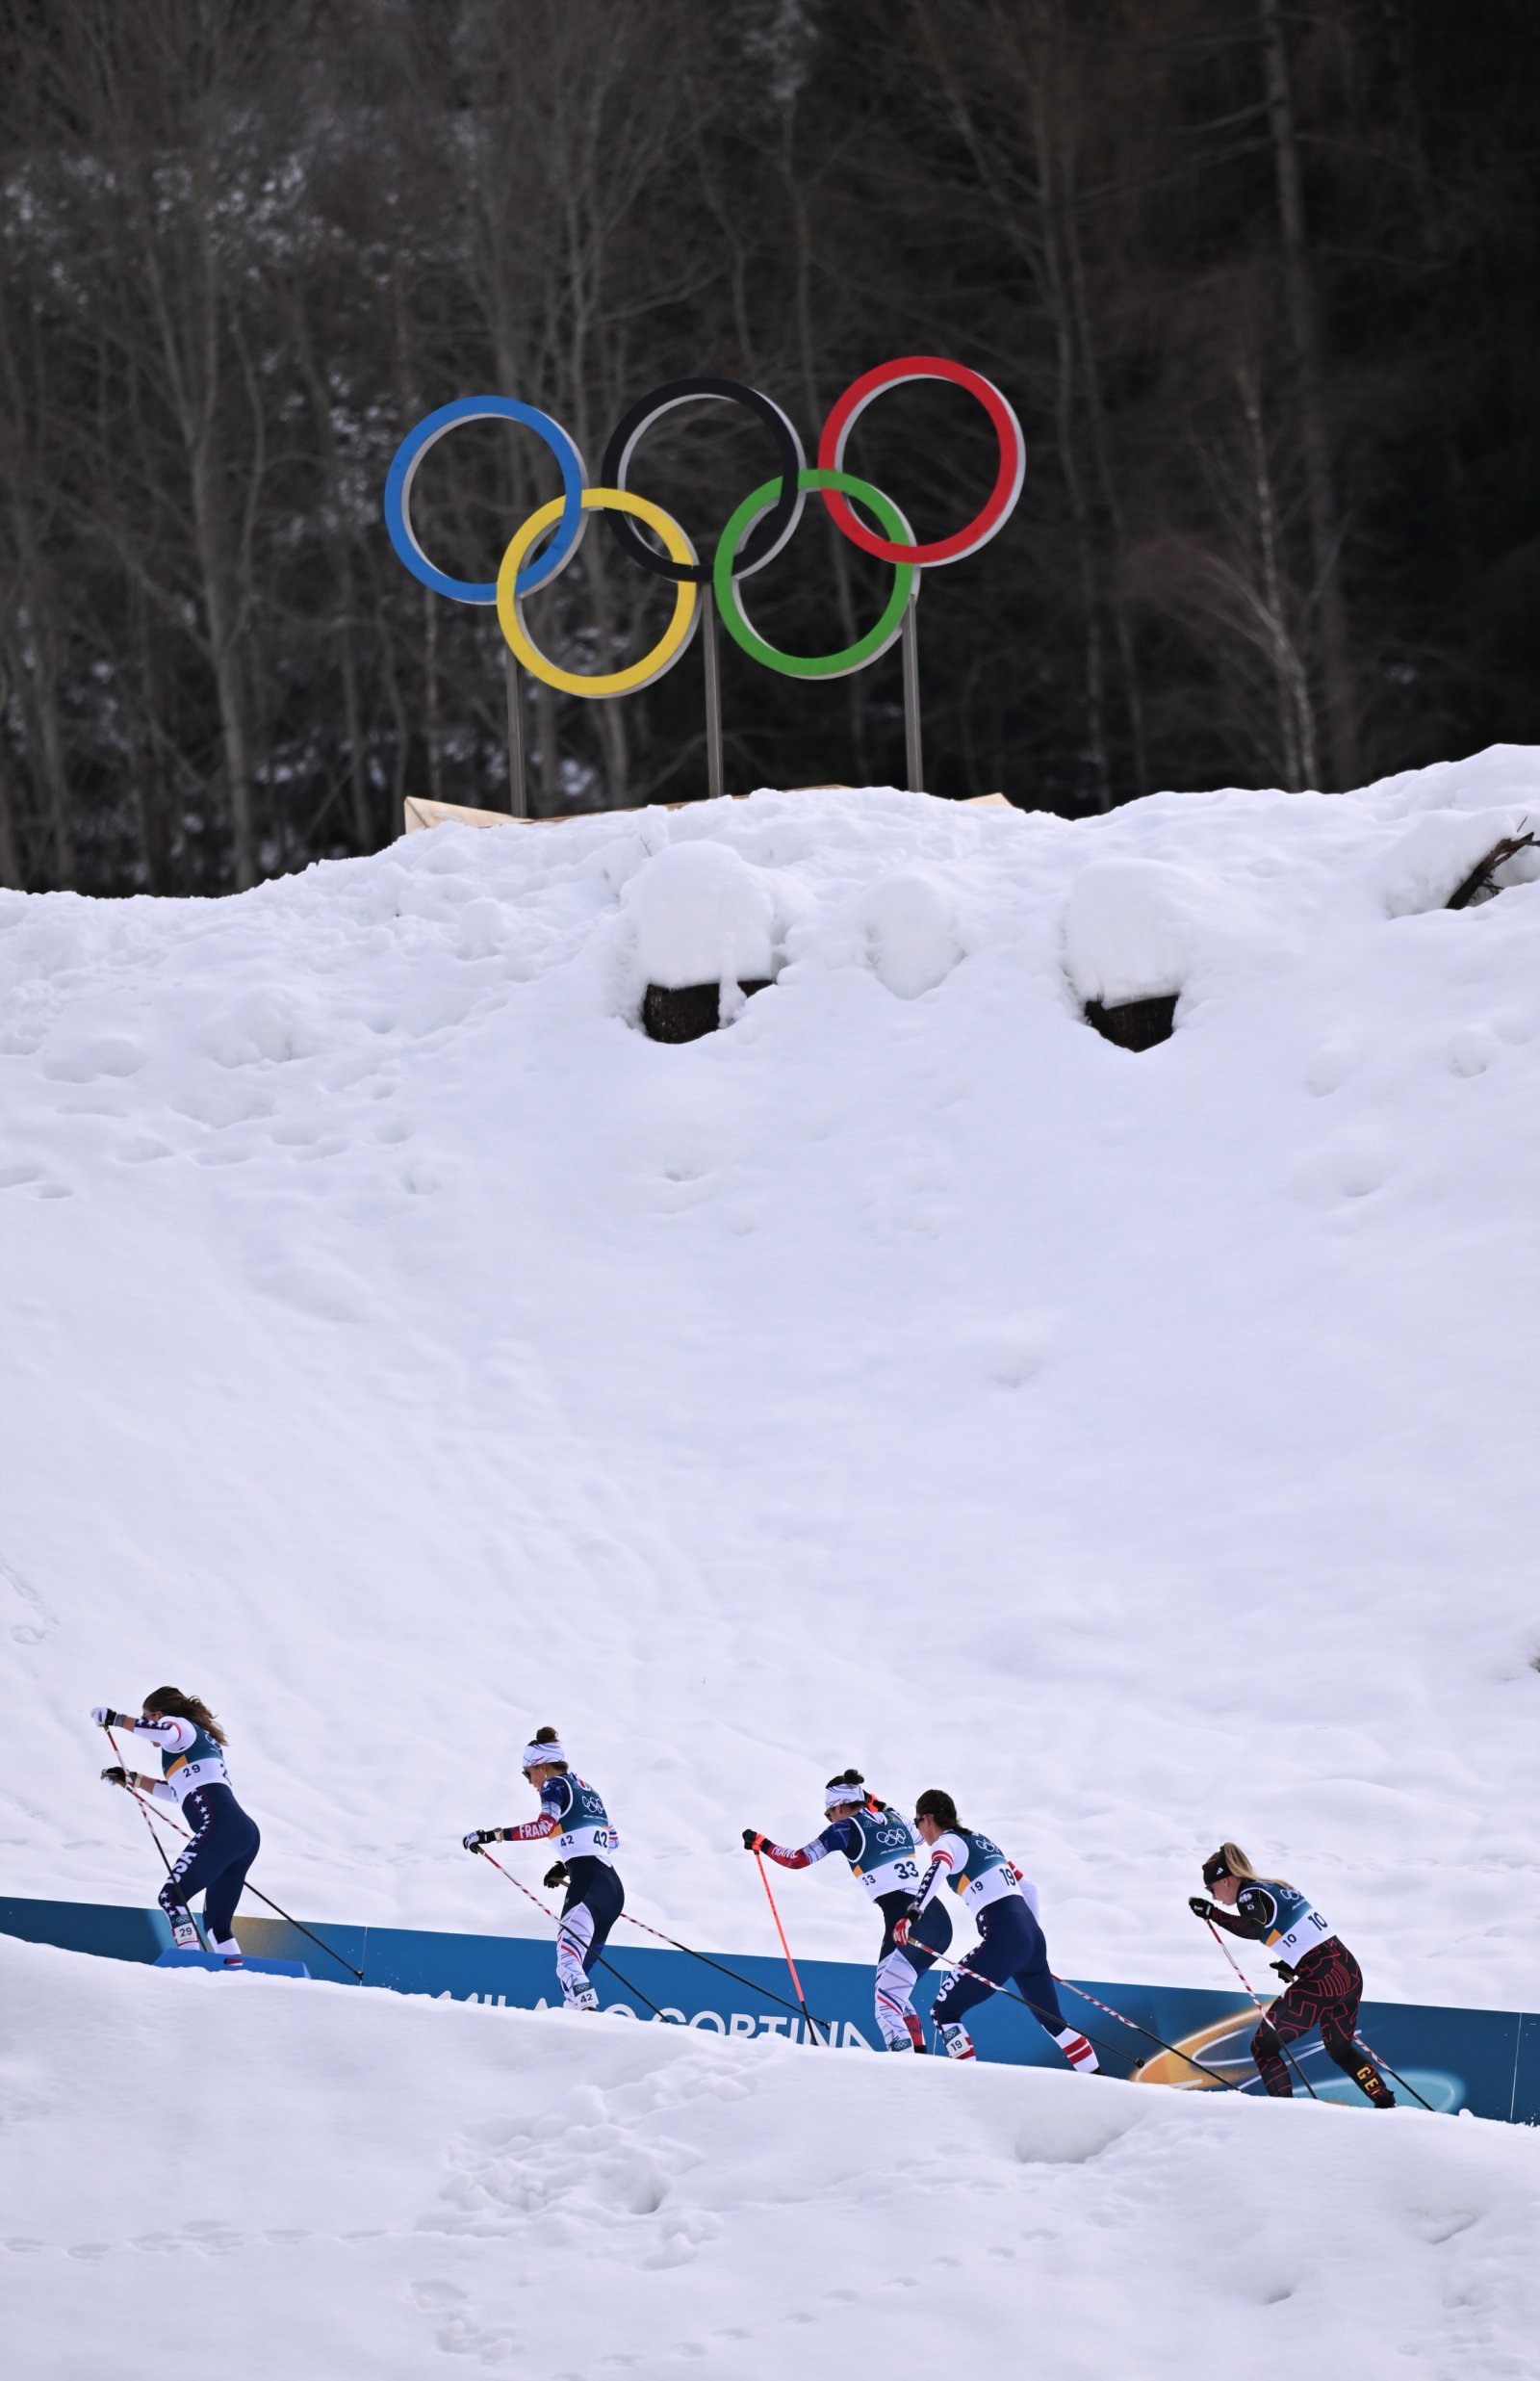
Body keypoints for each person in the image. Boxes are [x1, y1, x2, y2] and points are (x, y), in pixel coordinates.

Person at [741, 1767, 953, 2052]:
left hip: (907, 1920)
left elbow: (797, 1860)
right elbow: (918, 1836)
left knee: (884, 2003)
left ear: (838, 1807)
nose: (830, 1819)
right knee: (894, 1995)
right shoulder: (896, 1818)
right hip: (936, 1919)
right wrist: (873, 1803)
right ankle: (918, 2059)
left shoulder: (844, 1829)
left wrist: (762, 1843)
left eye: (828, 1813)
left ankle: (905, 2068)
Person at [896, 1788, 1097, 2070]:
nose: (920, 1831)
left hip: (1007, 1939)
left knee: (943, 2011)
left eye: (918, 1823)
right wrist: (1028, 1944)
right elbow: (1029, 1888)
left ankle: (968, 2086)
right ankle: (1101, 2081)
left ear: (927, 1819)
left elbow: (937, 1869)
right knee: (1055, 2023)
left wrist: (911, 1914)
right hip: (1032, 1940)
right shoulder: (983, 1841)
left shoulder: (947, 1843)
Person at [1189, 1843, 1395, 2106]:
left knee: (1263, 2046)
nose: (1214, 1896)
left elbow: (1252, 1929)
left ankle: (1284, 2114)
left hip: (1322, 1978)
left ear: (1226, 1880)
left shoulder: (1249, 1894)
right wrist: (1295, 1964)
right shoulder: (1275, 1886)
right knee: (1340, 2048)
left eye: (1211, 1888)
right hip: (1348, 1972)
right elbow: (1303, 1933)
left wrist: (1212, 1913)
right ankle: (1386, 2103)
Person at [90, 1690, 260, 1967]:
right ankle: (237, 1976)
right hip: (243, 1835)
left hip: (221, 1829)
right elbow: (174, 1792)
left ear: (158, 1715)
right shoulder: (192, 1744)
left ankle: (188, 1966)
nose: (149, 1726)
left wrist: (116, 1719)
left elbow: (165, 1733)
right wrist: (130, 1778)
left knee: (172, 1897)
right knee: (217, 1927)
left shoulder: (179, 1727)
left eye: (147, 1718)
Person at [463, 1726, 622, 2011]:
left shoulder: (555, 1786)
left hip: (587, 1883)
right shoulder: (588, 1790)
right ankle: (584, 2024)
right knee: (575, 1976)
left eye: (528, 1773)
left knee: (567, 1961)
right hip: (611, 1888)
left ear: (543, 1767)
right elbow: (613, 1840)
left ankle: (589, 2016)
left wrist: (490, 1836)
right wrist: (566, 1864)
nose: (529, 1781)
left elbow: (542, 1826)